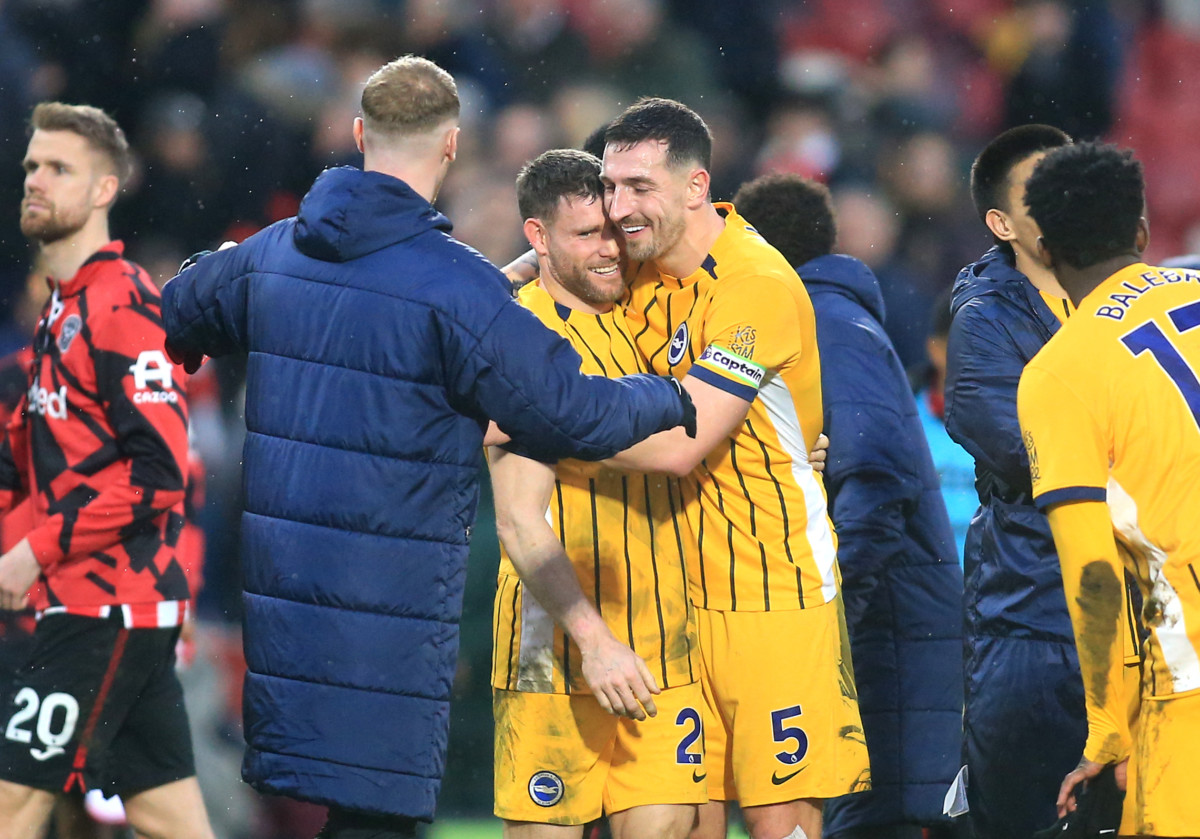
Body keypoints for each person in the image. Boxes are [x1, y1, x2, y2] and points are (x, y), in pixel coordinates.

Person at [157, 57, 694, 839]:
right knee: (375, 821)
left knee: (339, 817)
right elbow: (576, 415)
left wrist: (229, 273)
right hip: (388, 614)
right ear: (451, 146)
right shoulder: (457, 289)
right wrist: (675, 391)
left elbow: (180, 309)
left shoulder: (273, 255)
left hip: (284, 609)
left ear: (358, 134)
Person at [600, 97, 869, 839]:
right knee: (689, 816)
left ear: (695, 187)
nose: (620, 207)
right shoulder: (640, 273)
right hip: (674, 593)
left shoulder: (755, 283)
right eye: (611, 186)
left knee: (780, 819)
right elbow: (536, 274)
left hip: (771, 589)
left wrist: (547, 427)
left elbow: (687, 442)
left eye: (639, 187)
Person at [0, 103, 215, 839]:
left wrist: (33, 550)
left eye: (59, 168)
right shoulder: (63, 311)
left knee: (12, 808)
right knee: (173, 821)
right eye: (32, 165)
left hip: (104, 607)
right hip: (110, 606)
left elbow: (158, 472)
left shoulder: (121, 303)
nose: (36, 180)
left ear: (104, 190)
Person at [733, 172, 963, 839]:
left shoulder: (824, 323)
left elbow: (876, 478)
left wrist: (830, 607)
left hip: (879, 644)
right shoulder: (832, 318)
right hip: (883, 637)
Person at [488, 148, 703, 839]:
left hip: (666, 642)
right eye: (587, 236)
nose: (610, 249)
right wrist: (596, 640)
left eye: (613, 229)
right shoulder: (514, 338)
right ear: (538, 236)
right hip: (554, 654)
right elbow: (519, 520)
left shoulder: (652, 307)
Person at [1018, 140, 1200, 838]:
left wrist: (1105, 728)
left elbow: (1091, 571)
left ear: (1044, 250)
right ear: (1143, 231)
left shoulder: (1059, 374)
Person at [945, 123, 1096, 839]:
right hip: (1033, 617)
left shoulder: (1117, 296)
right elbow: (1016, 451)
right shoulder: (985, 320)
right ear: (1001, 223)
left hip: (1133, 613)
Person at [915, 288, 976, 564]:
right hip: (925, 587)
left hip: (994, 587)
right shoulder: (903, 418)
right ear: (935, 348)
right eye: (966, 345)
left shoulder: (1014, 418)